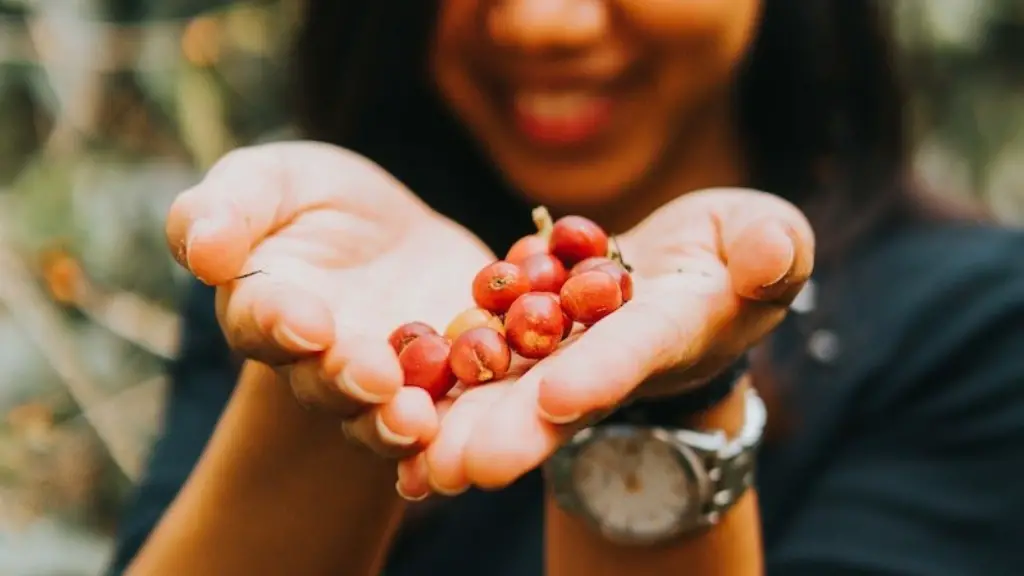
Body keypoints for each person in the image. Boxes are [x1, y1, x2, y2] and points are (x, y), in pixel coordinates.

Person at [109, 1, 1024, 575]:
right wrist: (320, 381)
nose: (544, 21)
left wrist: (672, 406)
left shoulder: (979, 328)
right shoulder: (316, 268)